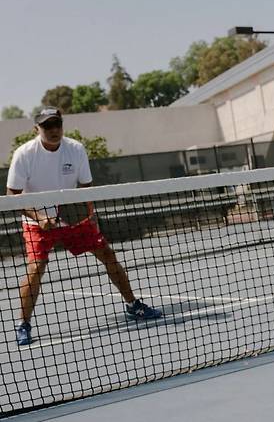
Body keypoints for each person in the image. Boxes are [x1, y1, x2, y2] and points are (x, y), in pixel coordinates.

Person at [7, 107, 162, 346]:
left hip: (73, 219)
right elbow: (12, 195)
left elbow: (86, 188)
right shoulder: (24, 154)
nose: (54, 130)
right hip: (37, 222)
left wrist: (90, 217)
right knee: (36, 268)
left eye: (57, 124)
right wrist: (39, 218)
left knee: (108, 255)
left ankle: (133, 306)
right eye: (47, 126)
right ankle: (23, 324)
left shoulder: (75, 149)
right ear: (36, 129)